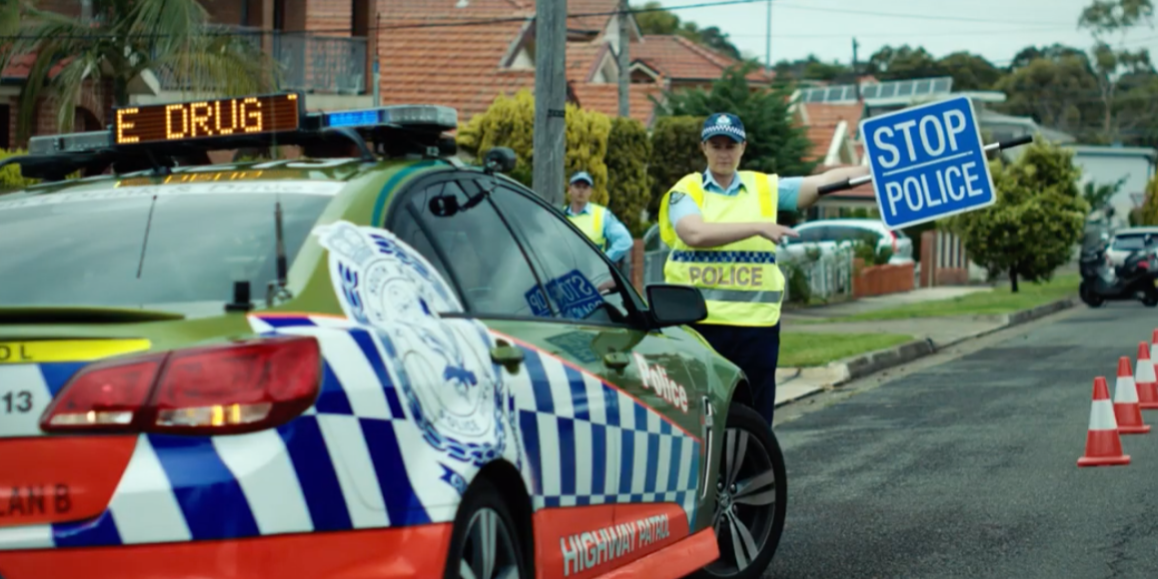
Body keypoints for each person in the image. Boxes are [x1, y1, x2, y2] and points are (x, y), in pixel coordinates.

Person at [656, 112, 870, 425]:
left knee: (755, 421)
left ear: (743, 147)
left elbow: (820, 183)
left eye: (731, 145)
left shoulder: (764, 187)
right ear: (704, 148)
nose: (724, 153)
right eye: (716, 145)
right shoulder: (686, 191)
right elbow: (694, 233)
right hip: (698, 327)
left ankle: (751, 461)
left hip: (756, 328)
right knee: (698, 418)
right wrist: (758, 226)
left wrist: (871, 170)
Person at [563, 171, 634, 265]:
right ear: (569, 189)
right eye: (577, 186)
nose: (581, 191)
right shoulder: (560, 214)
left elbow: (625, 240)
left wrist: (604, 261)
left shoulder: (602, 214)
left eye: (585, 187)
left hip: (592, 272)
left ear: (590, 191)